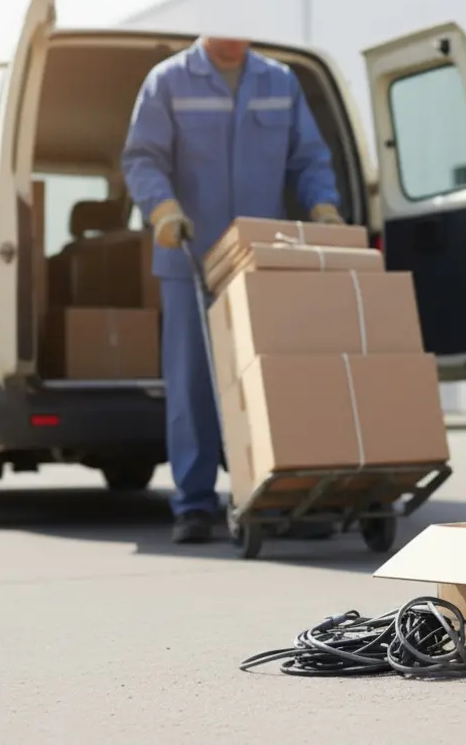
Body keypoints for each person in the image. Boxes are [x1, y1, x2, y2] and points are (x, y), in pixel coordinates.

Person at [121, 37, 343, 544]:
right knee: (192, 384)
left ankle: (276, 493)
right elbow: (142, 158)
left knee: (271, 381)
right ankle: (195, 504)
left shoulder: (279, 82)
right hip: (188, 256)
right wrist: (161, 209)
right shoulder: (168, 80)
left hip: (258, 257)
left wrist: (323, 204)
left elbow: (309, 157)